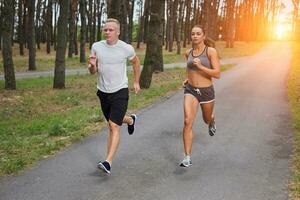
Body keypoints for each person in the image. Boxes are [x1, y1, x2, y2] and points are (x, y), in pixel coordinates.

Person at [88, 18, 141, 174]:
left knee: (113, 125)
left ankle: (108, 162)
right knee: (114, 120)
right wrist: (92, 65)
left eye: (111, 30)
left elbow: (136, 63)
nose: (107, 32)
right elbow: (93, 72)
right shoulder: (96, 47)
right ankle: (131, 119)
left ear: (118, 32)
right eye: (105, 29)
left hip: (120, 91)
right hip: (103, 92)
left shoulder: (126, 48)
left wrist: (136, 82)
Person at [180, 25, 221, 167]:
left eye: (198, 34)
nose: (195, 36)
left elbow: (217, 74)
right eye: (193, 34)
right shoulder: (188, 52)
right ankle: (187, 156)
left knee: (206, 119)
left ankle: (212, 120)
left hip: (206, 91)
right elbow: (190, 69)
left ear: (203, 36)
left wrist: (201, 67)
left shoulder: (211, 51)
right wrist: (188, 78)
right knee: (187, 121)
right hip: (191, 90)